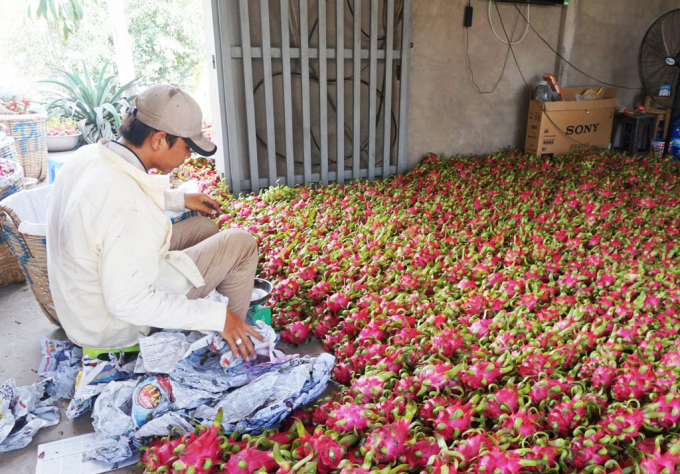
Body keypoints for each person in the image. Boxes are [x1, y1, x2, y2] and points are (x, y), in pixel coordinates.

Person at [46, 85, 263, 361]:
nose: (189, 157)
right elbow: (128, 302)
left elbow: (109, 205)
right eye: (188, 147)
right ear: (159, 140)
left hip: (81, 305)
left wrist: (178, 199)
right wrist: (218, 317)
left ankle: (220, 322)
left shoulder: (88, 156)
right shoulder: (129, 207)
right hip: (113, 325)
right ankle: (231, 343)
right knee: (240, 243)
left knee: (206, 228)